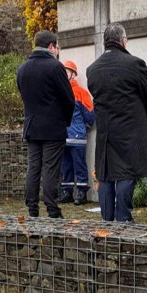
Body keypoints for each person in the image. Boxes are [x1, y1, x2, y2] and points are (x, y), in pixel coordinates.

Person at [87, 23, 147, 222]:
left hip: (105, 130)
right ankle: (124, 217)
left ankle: (107, 218)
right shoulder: (135, 64)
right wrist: (142, 117)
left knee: (106, 173)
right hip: (130, 127)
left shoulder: (93, 69)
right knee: (127, 172)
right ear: (123, 41)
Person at [16, 30, 75, 218]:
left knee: (34, 167)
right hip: (52, 127)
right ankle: (52, 208)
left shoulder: (22, 68)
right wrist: (65, 120)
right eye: (57, 47)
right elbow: (68, 98)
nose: (58, 51)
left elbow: (24, 96)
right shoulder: (55, 67)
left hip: (32, 126)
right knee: (50, 167)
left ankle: (32, 208)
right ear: (51, 46)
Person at [58, 60, 95, 206]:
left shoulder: (81, 92)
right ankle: (67, 192)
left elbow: (90, 114)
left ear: (73, 74)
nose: (64, 74)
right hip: (63, 136)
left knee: (79, 165)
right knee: (65, 166)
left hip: (77, 137)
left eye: (66, 71)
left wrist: (82, 127)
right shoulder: (59, 92)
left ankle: (81, 192)